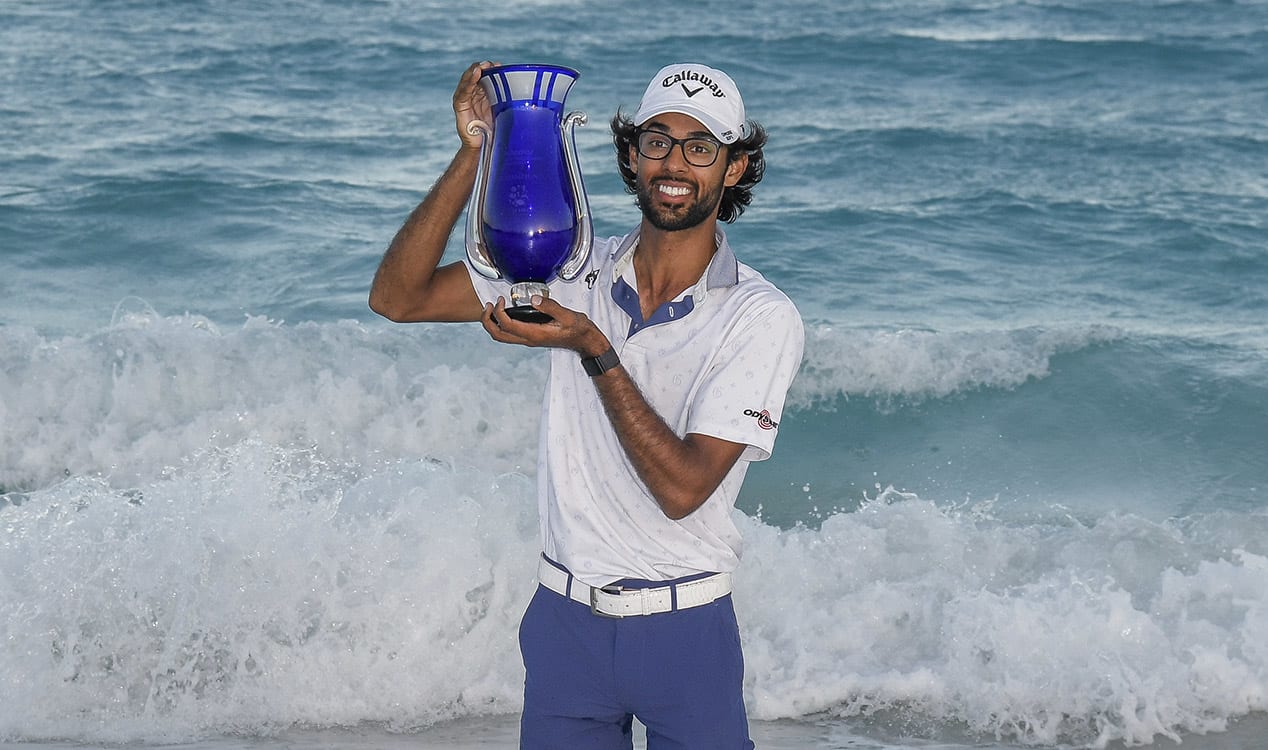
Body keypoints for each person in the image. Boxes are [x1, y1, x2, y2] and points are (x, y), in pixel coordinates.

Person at [369, 60, 803, 749]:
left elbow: (684, 488)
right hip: (564, 628)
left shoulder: (760, 315)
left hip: (684, 632)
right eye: (657, 140)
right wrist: (475, 150)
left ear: (735, 167)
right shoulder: (572, 270)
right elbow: (399, 296)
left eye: (700, 148)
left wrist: (594, 347)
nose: (674, 163)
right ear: (631, 154)